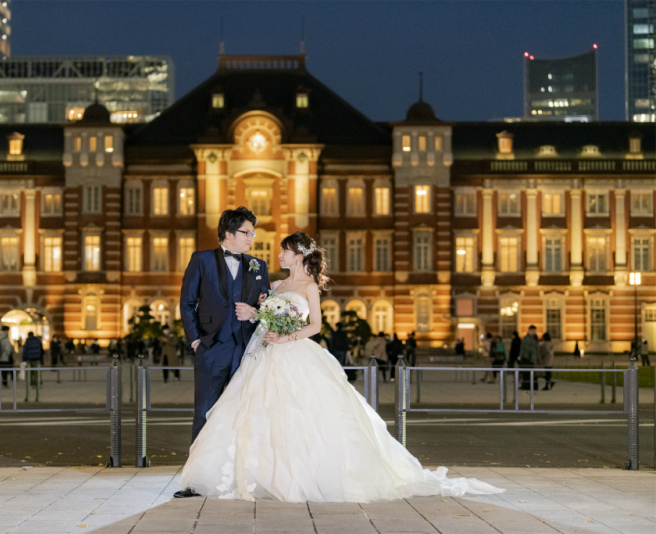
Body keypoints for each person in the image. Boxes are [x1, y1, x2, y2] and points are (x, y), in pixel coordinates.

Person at [179, 232, 503, 502]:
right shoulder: (276, 287)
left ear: (299, 255)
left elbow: (316, 326)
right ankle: (256, 473)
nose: (279, 254)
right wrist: (258, 316)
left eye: (285, 250)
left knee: (300, 414)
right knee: (256, 413)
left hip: (293, 353)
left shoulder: (308, 287)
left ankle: (300, 475)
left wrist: (287, 335)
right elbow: (263, 317)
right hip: (264, 355)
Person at [174, 207, 270, 499]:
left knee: (244, 415)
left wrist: (253, 312)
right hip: (211, 350)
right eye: (246, 232)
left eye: (253, 232)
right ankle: (195, 481)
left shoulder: (258, 265)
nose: (251, 237)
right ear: (229, 233)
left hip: (245, 352)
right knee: (203, 414)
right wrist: (195, 342)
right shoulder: (201, 260)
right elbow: (187, 302)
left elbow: (267, 308)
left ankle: (240, 476)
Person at [518, 325, 539, 391]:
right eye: (534, 331)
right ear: (530, 330)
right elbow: (527, 347)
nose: (535, 332)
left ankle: (528, 385)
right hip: (527, 358)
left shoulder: (532, 338)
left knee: (528, 373)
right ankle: (526, 386)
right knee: (526, 373)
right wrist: (534, 348)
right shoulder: (527, 338)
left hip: (529, 358)